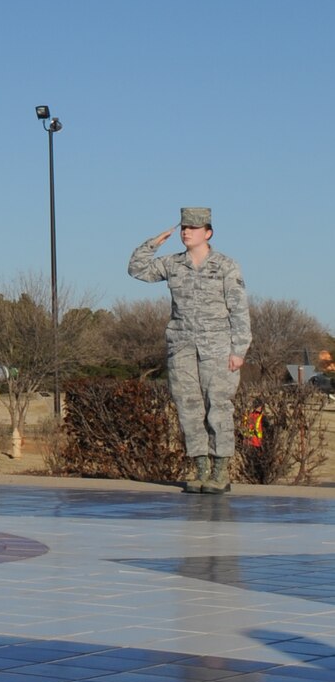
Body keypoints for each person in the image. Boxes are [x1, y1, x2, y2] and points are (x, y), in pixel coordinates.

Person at [128, 207, 251, 494]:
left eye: (193, 228)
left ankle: (220, 472)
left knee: (218, 407)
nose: (186, 232)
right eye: (184, 227)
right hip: (181, 347)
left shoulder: (225, 266)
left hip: (218, 348)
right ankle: (200, 470)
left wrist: (239, 349)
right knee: (188, 409)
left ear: (207, 233)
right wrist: (154, 242)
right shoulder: (172, 264)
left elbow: (239, 310)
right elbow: (137, 269)